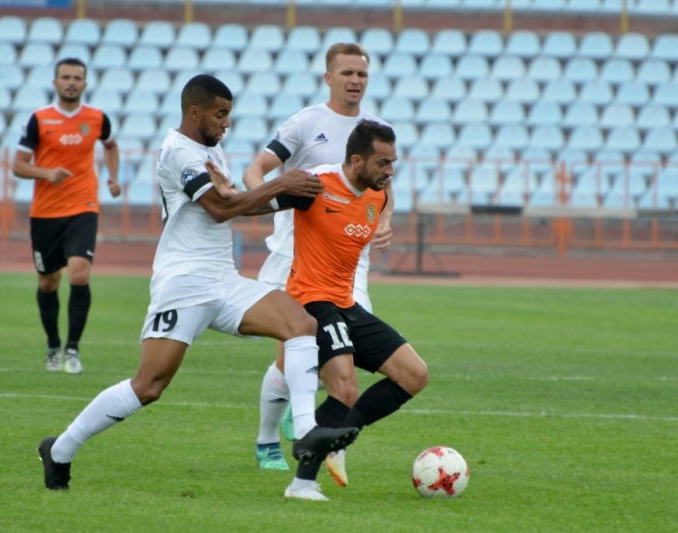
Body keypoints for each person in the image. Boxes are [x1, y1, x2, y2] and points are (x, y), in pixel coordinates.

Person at [37, 74, 360, 493]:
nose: (227, 123)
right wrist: (281, 182)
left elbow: (233, 203)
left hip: (222, 279)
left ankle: (305, 433)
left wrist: (291, 199)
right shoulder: (179, 152)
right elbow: (219, 209)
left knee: (300, 324)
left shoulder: (211, 148)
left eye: (228, 114)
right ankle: (60, 450)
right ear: (195, 113)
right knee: (148, 386)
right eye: (220, 114)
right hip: (184, 283)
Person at [209, 120, 428, 501]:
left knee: (414, 374)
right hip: (311, 302)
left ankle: (338, 438)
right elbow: (254, 204)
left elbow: (382, 202)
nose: (390, 171)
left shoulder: (378, 194)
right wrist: (228, 192)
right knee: (344, 386)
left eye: (393, 162)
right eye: (383, 163)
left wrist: (386, 223)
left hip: (346, 303)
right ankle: (302, 484)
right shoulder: (315, 185)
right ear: (357, 161)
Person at [243, 43, 394, 474]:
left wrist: (384, 222)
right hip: (293, 252)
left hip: (348, 259)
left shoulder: (375, 129)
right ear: (329, 78)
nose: (355, 80)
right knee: (290, 354)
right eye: (347, 72)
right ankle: (268, 439)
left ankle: (326, 432)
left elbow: (384, 187)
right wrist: (262, 201)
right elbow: (256, 170)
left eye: (361, 74)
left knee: (345, 348)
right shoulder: (306, 123)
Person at [12, 57, 121, 374]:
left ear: (85, 83)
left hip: (83, 207)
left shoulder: (97, 118)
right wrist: (46, 173)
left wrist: (113, 177)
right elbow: (18, 165)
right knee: (48, 283)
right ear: (55, 82)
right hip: (45, 213)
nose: (71, 82)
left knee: (80, 275)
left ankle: (72, 349)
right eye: (66, 77)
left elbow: (111, 146)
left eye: (77, 77)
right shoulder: (39, 119)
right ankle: (53, 346)